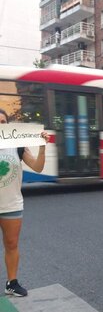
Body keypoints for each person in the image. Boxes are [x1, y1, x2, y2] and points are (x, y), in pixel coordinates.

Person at [0, 109, 49, 297]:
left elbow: (38, 167)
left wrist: (42, 147)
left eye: (3, 122)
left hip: (11, 204)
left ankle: (12, 283)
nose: (0, 125)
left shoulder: (18, 146)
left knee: (11, 244)